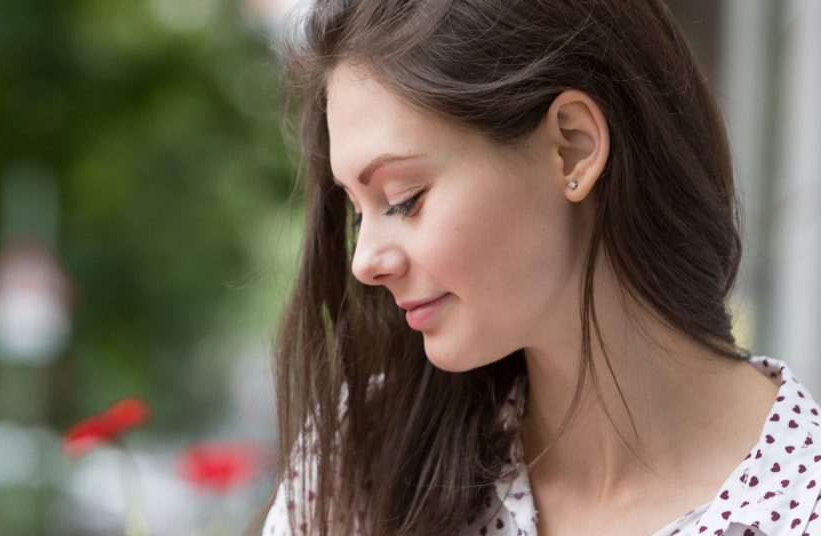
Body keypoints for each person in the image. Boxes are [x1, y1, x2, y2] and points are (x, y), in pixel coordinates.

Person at [257, 1, 821, 535]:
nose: (363, 264)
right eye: (359, 216)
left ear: (572, 148)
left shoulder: (799, 505)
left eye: (403, 197)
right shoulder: (363, 452)